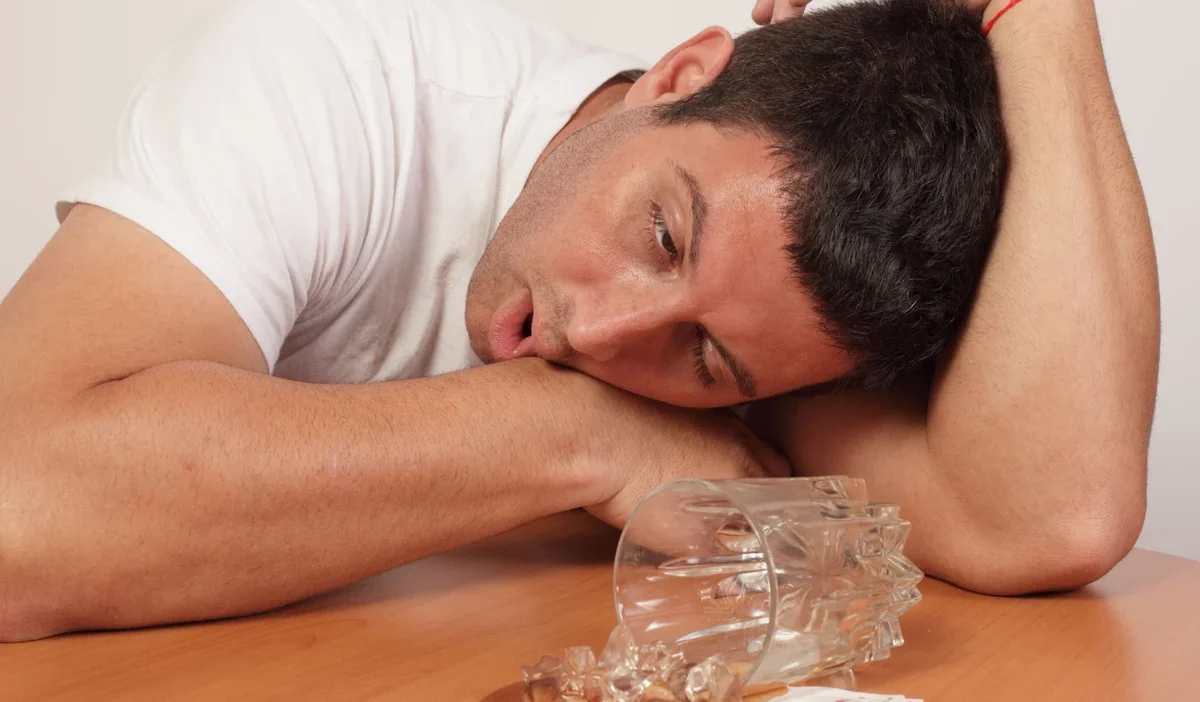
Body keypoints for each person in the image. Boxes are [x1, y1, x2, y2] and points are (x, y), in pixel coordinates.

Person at [0, 0, 1158, 642]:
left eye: (703, 358)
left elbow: (1051, 518)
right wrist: (577, 434)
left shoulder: (770, 317)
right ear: (679, 75)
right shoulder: (338, 77)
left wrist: (1041, 15)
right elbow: (18, 516)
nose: (601, 336)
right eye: (660, 232)